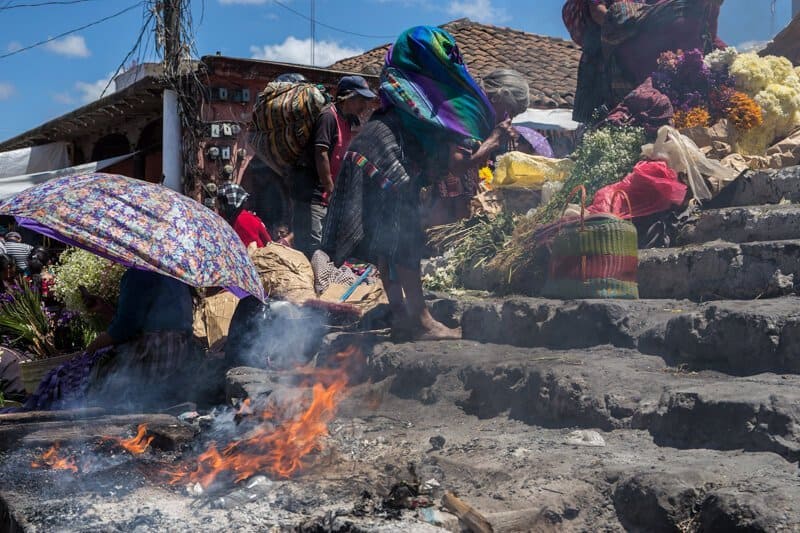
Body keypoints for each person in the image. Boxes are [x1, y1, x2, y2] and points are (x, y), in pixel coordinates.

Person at [323, 26, 495, 341]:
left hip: (370, 149)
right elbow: (456, 163)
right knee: (405, 238)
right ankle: (422, 321)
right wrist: (494, 140)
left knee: (388, 242)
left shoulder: (404, 90)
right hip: (384, 155)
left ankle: (402, 316)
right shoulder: (429, 101)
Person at [22, 268, 199, 411]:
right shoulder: (174, 274)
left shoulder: (139, 274)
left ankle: (93, 415)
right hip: (178, 352)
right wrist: (104, 309)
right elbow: (137, 323)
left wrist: (88, 350)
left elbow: (124, 329)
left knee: (69, 374)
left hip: (154, 354)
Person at [564, 0, 725, 120]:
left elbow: (706, 33)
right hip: (619, 62)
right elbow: (598, 13)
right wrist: (626, 26)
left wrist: (726, 56)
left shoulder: (692, 11)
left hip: (662, 70)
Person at [428, 69, 531, 225]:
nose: (508, 119)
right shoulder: (469, 109)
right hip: (433, 204)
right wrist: (493, 139)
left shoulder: (477, 112)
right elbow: (457, 166)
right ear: (499, 96)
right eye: (511, 111)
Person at [292, 75, 377, 257]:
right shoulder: (328, 117)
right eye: (361, 100)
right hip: (314, 195)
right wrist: (330, 189)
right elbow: (321, 153)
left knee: (325, 246)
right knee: (314, 245)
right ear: (349, 97)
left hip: (326, 197)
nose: (365, 106)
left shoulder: (346, 121)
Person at [217, 182, 272, 248]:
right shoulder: (230, 219)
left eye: (225, 202)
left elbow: (265, 243)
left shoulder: (243, 219)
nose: (221, 207)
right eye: (221, 202)